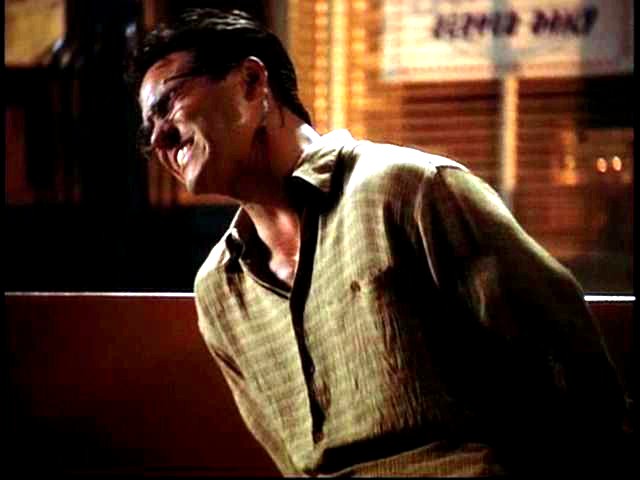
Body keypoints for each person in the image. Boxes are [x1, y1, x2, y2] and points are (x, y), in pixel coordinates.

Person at [129, 8, 631, 477]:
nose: (159, 139)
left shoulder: (411, 191)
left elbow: (579, 378)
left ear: (252, 82)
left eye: (168, 104)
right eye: (148, 130)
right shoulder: (220, 290)